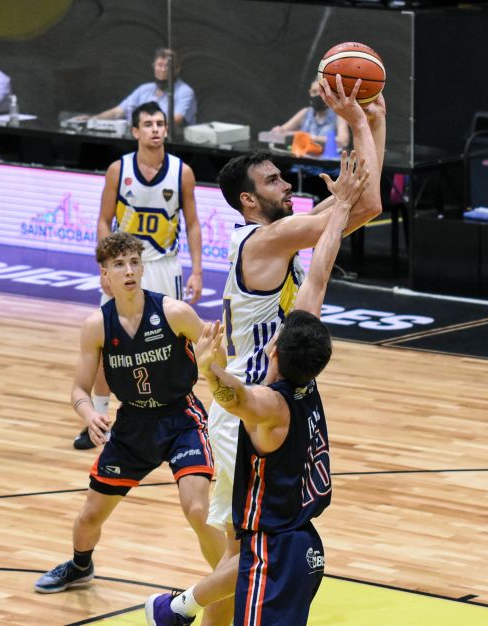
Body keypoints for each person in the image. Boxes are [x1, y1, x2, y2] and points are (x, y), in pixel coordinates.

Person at [148, 76, 384, 626]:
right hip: (246, 408)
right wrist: (357, 123)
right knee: (253, 547)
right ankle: (175, 609)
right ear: (249, 200)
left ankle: (180, 611)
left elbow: (366, 202)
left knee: (252, 548)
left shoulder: (283, 237)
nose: (286, 184)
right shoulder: (261, 240)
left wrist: (371, 121)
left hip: (275, 404)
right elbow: (346, 213)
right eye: (273, 181)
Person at [34, 231, 224, 593]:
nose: (129, 271)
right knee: (90, 516)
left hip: (181, 419)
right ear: (105, 274)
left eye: (135, 262)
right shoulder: (97, 326)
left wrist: (208, 363)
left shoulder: (174, 312)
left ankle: (233, 583)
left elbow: (220, 359)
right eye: (119, 264)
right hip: (133, 425)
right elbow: (78, 390)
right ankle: (80, 566)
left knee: (198, 510)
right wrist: (89, 414)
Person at [72, 101, 203, 451]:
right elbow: (104, 219)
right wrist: (105, 266)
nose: (155, 129)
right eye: (148, 124)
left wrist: (197, 269)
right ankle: (99, 420)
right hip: (123, 266)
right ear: (135, 131)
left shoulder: (182, 172)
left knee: (172, 347)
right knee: (107, 345)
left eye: (160, 123)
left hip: (163, 265)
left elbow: (192, 223)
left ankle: (174, 416)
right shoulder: (119, 170)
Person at [91, 48, 196, 128]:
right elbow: (117, 112)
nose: (163, 69)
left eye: (167, 66)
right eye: (159, 65)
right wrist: (93, 119)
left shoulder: (185, 91)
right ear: (153, 66)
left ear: (177, 69)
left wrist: (141, 125)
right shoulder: (144, 89)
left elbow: (176, 121)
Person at [270, 79, 349, 152]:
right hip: (300, 159)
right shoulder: (305, 112)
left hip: (325, 161)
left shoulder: (338, 115)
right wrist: (278, 131)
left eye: (322, 92)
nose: (318, 95)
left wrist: (310, 137)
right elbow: (282, 131)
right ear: (310, 93)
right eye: (314, 92)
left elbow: (343, 142)